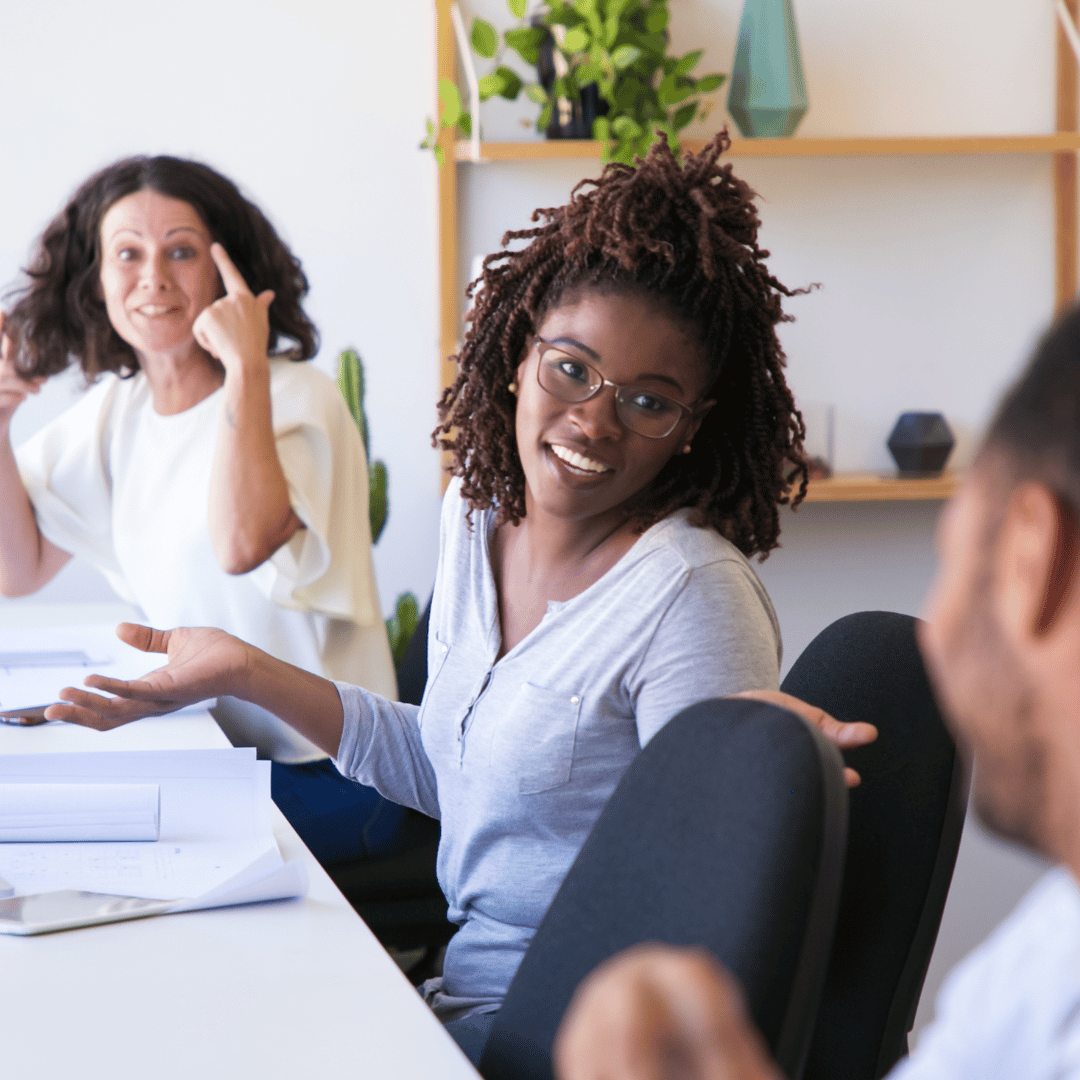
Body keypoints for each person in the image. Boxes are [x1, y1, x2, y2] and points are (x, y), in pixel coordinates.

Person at [41, 134, 875, 1058]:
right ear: (521, 355)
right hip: (461, 997)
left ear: (690, 430)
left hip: (563, 1035)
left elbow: (705, 929)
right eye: (571, 368)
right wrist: (236, 668)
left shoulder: (691, 598)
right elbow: (454, 767)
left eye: (648, 401)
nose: (594, 418)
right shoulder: (476, 514)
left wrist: (761, 795)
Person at [552, 303, 1080, 1080]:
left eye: (955, 560)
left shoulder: (689, 584)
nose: (933, 636)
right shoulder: (1050, 946)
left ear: (1031, 560)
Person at [0, 155, 404, 866]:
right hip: (213, 750)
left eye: (181, 251)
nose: (153, 276)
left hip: (332, 775)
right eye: (127, 253)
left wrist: (245, 367)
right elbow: (20, 568)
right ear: (97, 277)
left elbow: (240, 541)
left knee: (87, 850)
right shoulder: (115, 413)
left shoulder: (299, 396)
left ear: (226, 273)